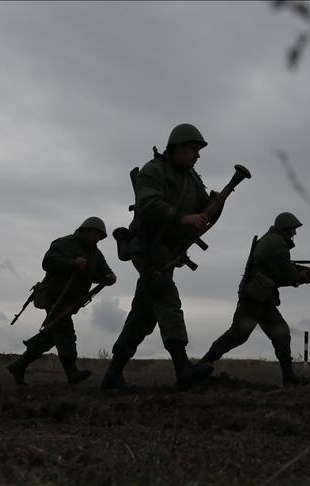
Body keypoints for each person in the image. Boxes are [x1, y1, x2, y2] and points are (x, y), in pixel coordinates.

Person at [100, 123, 215, 391]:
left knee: (144, 314)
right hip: (148, 246)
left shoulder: (192, 178)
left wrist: (215, 202)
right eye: (192, 150)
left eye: (198, 151)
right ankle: (182, 367)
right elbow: (149, 205)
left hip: (169, 250)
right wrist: (183, 218)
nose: (196, 155)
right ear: (175, 148)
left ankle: (113, 374)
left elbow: (203, 211)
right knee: (165, 295)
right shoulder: (153, 171)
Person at [198, 212, 310, 387]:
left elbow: (282, 268)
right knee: (237, 335)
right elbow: (286, 273)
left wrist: (305, 271)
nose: (294, 233)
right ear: (286, 228)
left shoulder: (273, 241)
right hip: (255, 298)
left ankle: (289, 378)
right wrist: (302, 276)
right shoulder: (277, 243)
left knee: (281, 334)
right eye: (293, 229)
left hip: (262, 298)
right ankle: (199, 367)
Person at [6, 217, 117, 385]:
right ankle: (72, 373)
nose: (97, 239)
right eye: (95, 235)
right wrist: (72, 263)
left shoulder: (95, 253)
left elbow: (102, 271)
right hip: (54, 296)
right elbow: (48, 262)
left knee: (51, 336)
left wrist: (109, 276)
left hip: (72, 301)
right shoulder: (64, 243)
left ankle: (19, 365)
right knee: (65, 332)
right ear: (85, 230)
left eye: (100, 237)